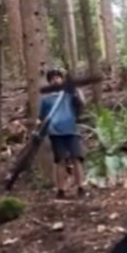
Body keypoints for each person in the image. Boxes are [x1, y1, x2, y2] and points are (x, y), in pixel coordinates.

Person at [37, 69, 88, 198]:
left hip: (72, 130)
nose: (56, 80)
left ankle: (81, 187)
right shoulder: (46, 99)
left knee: (77, 158)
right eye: (53, 78)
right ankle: (61, 190)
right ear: (49, 82)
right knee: (60, 161)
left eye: (58, 77)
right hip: (55, 133)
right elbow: (42, 117)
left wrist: (75, 88)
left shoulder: (69, 94)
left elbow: (82, 103)